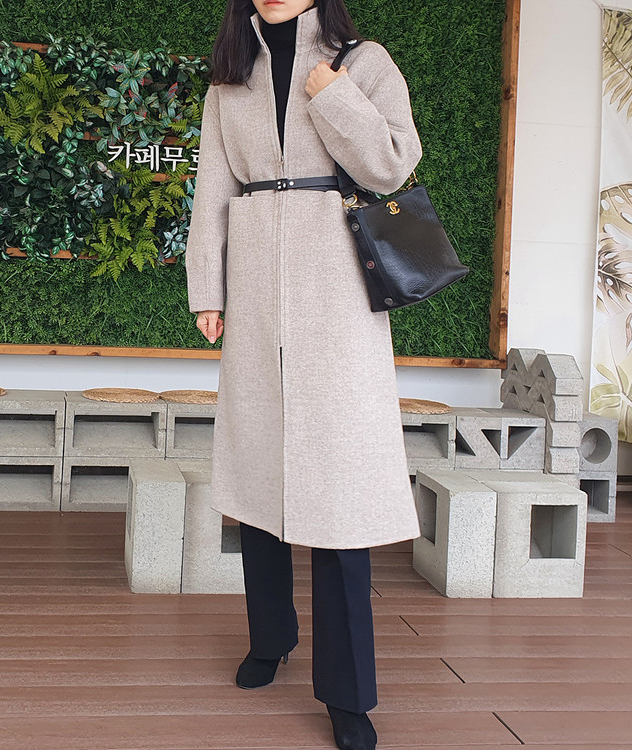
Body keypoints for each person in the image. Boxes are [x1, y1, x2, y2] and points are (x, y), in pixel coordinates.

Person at [185, 1, 423, 747]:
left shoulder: (364, 61)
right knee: (260, 466)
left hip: (339, 296)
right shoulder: (230, 78)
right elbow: (213, 189)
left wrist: (331, 92)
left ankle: (348, 694)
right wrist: (208, 288)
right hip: (257, 293)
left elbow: (392, 164)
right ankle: (270, 636)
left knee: (339, 488)